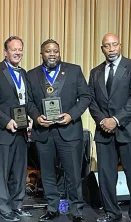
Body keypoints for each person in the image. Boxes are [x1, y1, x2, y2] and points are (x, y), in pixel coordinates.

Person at [26, 39, 91, 222]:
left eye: (55, 50)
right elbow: (28, 102)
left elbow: (86, 97)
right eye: (48, 51)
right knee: (47, 174)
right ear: (42, 53)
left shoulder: (74, 70)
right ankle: (52, 208)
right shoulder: (31, 75)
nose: (52, 54)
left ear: (60, 52)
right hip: (44, 132)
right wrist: (37, 116)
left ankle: (76, 210)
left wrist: (71, 115)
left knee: (73, 174)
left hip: (69, 130)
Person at [0, 36, 32, 221]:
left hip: (21, 131)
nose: (17, 52)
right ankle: (3, 209)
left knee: (19, 172)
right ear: (5, 52)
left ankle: (17, 205)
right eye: (13, 49)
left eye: (20, 49)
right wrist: (5, 121)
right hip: (1, 131)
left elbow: (25, 101)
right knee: (1, 174)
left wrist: (30, 118)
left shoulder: (24, 73)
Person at [89, 33, 131, 222]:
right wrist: (103, 121)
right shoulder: (95, 71)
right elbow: (91, 100)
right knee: (106, 176)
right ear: (102, 49)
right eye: (107, 45)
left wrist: (116, 119)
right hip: (103, 131)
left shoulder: (130, 66)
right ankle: (112, 213)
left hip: (127, 129)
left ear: (120, 45)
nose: (111, 48)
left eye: (114, 44)